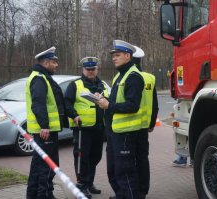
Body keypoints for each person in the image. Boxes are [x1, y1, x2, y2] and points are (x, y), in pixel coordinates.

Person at [97, 40, 147, 199]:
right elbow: (116, 101)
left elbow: (133, 105)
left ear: (128, 56)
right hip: (114, 132)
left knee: (125, 173)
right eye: (113, 55)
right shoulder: (121, 75)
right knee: (114, 170)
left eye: (117, 55)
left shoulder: (133, 76)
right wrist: (102, 99)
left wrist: (108, 105)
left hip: (125, 133)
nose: (114, 58)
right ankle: (121, 195)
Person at [64, 57, 109, 198]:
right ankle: (81, 185)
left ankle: (89, 182)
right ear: (83, 70)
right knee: (82, 158)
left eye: (93, 69)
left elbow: (109, 101)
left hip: (99, 127)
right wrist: (74, 115)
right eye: (88, 69)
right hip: (83, 128)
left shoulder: (102, 85)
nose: (90, 71)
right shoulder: (75, 85)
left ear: (97, 69)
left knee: (95, 156)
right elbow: (67, 103)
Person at [26, 46, 67, 199]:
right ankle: (44, 195)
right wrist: (44, 126)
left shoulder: (40, 77)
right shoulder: (39, 78)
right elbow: (38, 104)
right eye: (55, 62)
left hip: (43, 131)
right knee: (48, 166)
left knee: (38, 166)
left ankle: (34, 195)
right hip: (44, 132)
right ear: (47, 62)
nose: (56, 65)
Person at [132, 45, 159, 199]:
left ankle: (133, 189)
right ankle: (143, 190)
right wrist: (152, 123)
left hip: (129, 126)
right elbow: (154, 103)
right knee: (142, 158)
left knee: (130, 160)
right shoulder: (150, 77)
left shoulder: (125, 77)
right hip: (144, 127)